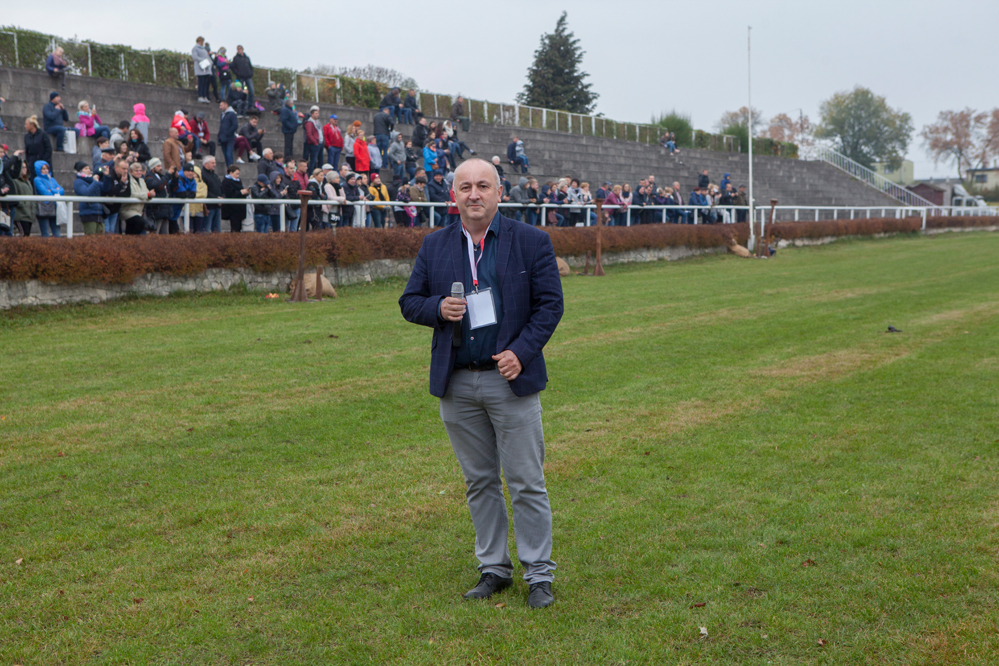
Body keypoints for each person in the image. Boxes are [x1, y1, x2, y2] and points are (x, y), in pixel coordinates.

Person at [399, 158, 564, 609]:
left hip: (510, 381)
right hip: (458, 384)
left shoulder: (531, 241)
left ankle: (539, 574)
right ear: (453, 194)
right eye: (466, 186)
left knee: (526, 481)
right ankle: (494, 568)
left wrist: (521, 352)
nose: (474, 194)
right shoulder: (435, 245)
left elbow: (550, 305)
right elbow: (409, 302)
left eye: (483, 186)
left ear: (499, 192)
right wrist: (437, 308)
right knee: (479, 482)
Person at [119, 161, 154, 235]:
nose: (139, 172)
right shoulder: (128, 180)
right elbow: (132, 194)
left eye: (140, 170)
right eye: (136, 171)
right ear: (131, 172)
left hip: (138, 211)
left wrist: (150, 195)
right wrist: (147, 195)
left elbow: (145, 193)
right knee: (140, 223)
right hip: (128, 209)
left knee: (131, 230)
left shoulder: (142, 181)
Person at [144, 158, 176, 234]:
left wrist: (175, 177)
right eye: (158, 166)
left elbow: (173, 188)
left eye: (161, 166)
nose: (161, 168)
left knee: (164, 237)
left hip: (165, 211)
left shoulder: (161, 177)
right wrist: (168, 174)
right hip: (156, 212)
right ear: (152, 168)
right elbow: (158, 186)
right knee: (155, 236)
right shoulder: (149, 178)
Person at [32, 160, 63, 237]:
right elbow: (45, 193)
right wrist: (56, 190)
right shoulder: (37, 179)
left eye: (47, 168)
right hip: (44, 208)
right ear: (39, 170)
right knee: (45, 234)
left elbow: (62, 191)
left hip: (54, 207)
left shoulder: (52, 179)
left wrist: (51, 190)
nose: (46, 170)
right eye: (43, 168)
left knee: (57, 234)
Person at [73, 162, 104, 235]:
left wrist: (107, 176)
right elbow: (86, 193)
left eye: (89, 168)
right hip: (88, 213)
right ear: (80, 170)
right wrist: (95, 182)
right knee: (91, 238)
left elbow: (106, 187)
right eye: (86, 168)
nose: (88, 170)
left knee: (102, 238)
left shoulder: (92, 181)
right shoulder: (78, 182)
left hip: (99, 212)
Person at [10, 157, 37, 237]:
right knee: (24, 234)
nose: (25, 169)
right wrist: (23, 204)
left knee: (27, 235)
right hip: (20, 214)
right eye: (23, 167)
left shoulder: (28, 182)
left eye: (26, 167)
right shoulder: (15, 182)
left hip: (29, 214)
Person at [221, 164, 249, 232]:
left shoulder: (238, 180)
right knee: (234, 228)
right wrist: (240, 192)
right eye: (236, 174)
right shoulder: (226, 182)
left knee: (238, 228)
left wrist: (245, 192)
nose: (238, 176)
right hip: (232, 209)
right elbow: (229, 194)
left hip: (240, 208)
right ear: (231, 173)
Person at [201, 156, 223, 232]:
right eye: (212, 163)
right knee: (206, 229)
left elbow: (221, 188)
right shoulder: (202, 175)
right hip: (209, 207)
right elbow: (204, 191)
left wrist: (222, 197)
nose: (215, 165)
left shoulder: (215, 176)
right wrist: (216, 198)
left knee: (217, 230)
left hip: (217, 206)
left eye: (215, 163)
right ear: (206, 164)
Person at [303, 106, 324, 173]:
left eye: (318, 113)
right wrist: (315, 142)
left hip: (320, 143)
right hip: (314, 144)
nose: (318, 114)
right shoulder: (309, 122)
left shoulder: (318, 122)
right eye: (316, 113)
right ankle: (311, 173)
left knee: (320, 160)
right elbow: (309, 134)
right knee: (313, 160)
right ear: (312, 114)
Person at [218, 99, 238, 167]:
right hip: (222, 138)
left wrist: (228, 133)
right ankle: (229, 169)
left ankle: (231, 169)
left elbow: (235, 125)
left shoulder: (232, 114)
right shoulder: (222, 114)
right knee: (226, 156)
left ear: (226, 105)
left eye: (221, 105)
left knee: (229, 154)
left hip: (229, 138)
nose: (220, 107)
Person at [192, 37, 213, 103]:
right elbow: (195, 57)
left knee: (206, 83)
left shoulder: (204, 49)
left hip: (206, 69)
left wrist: (210, 63)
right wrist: (203, 60)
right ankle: (200, 96)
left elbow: (207, 57)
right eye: (200, 41)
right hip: (200, 68)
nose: (201, 43)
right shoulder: (195, 48)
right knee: (201, 82)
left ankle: (205, 96)